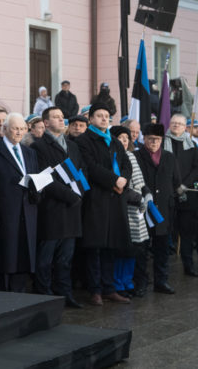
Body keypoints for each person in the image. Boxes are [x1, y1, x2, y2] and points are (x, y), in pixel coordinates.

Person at [74, 102, 132, 306]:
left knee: (111, 247)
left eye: (107, 116)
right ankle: (95, 290)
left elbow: (126, 164)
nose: (104, 119)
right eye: (99, 115)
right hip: (96, 200)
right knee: (95, 247)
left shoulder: (114, 141)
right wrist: (113, 180)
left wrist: (123, 179)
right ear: (91, 119)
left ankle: (109, 288)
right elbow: (91, 166)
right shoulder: (84, 140)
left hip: (115, 200)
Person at [31, 107, 83, 308]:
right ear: (45, 123)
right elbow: (45, 179)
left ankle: (65, 293)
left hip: (72, 210)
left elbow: (81, 171)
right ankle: (45, 295)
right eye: (56, 117)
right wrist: (70, 196)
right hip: (52, 210)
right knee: (46, 259)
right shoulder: (39, 147)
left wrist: (81, 193)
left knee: (65, 259)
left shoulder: (73, 146)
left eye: (63, 117)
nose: (62, 120)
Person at [0, 113, 39, 292]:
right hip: (5, 213)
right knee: (5, 256)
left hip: (27, 211)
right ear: (5, 129)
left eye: (22, 128)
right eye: (15, 128)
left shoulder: (29, 152)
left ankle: (20, 294)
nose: (19, 132)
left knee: (24, 255)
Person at [134, 123, 182, 295]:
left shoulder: (169, 157)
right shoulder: (136, 156)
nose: (154, 142)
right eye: (150, 139)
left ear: (162, 140)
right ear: (144, 139)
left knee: (162, 248)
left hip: (163, 209)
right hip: (143, 208)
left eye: (157, 139)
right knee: (141, 249)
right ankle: (141, 282)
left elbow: (176, 180)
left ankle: (161, 281)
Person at [110, 126, 150, 298]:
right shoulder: (113, 157)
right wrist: (137, 197)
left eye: (127, 137)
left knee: (134, 249)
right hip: (122, 209)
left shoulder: (132, 156)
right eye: (120, 137)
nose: (124, 140)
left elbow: (140, 182)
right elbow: (118, 185)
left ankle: (128, 281)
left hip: (137, 212)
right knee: (122, 249)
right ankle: (117, 284)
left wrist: (146, 194)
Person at [164, 114, 198, 277]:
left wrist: (183, 185)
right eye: (174, 123)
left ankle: (188, 265)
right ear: (169, 124)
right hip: (167, 193)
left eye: (180, 124)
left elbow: (197, 168)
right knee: (165, 232)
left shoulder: (191, 144)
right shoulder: (162, 142)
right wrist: (173, 185)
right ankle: (163, 269)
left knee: (187, 233)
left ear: (185, 127)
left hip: (186, 194)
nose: (176, 126)